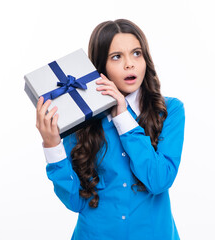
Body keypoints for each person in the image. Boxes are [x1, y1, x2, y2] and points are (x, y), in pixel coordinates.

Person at [36, 19, 185, 240]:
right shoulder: (80, 118)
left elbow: (159, 180)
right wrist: (52, 147)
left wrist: (122, 116)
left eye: (137, 53)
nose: (129, 64)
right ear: (100, 66)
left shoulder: (170, 110)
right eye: (116, 57)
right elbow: (76, 201)